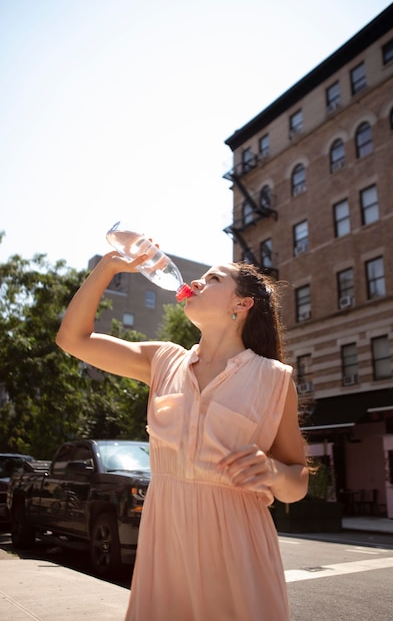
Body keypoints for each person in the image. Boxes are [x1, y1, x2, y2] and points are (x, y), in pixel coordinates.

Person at [56, 250, 309, 621]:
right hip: (166, 550)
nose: (196, 283)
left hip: (238, 553)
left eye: (213, 279)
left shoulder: (273, 379)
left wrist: (271, 472)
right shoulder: (162, 361)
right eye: (200, 277)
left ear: (242, 303)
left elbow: (297, 480)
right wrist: (108, 266)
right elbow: (72, 338)